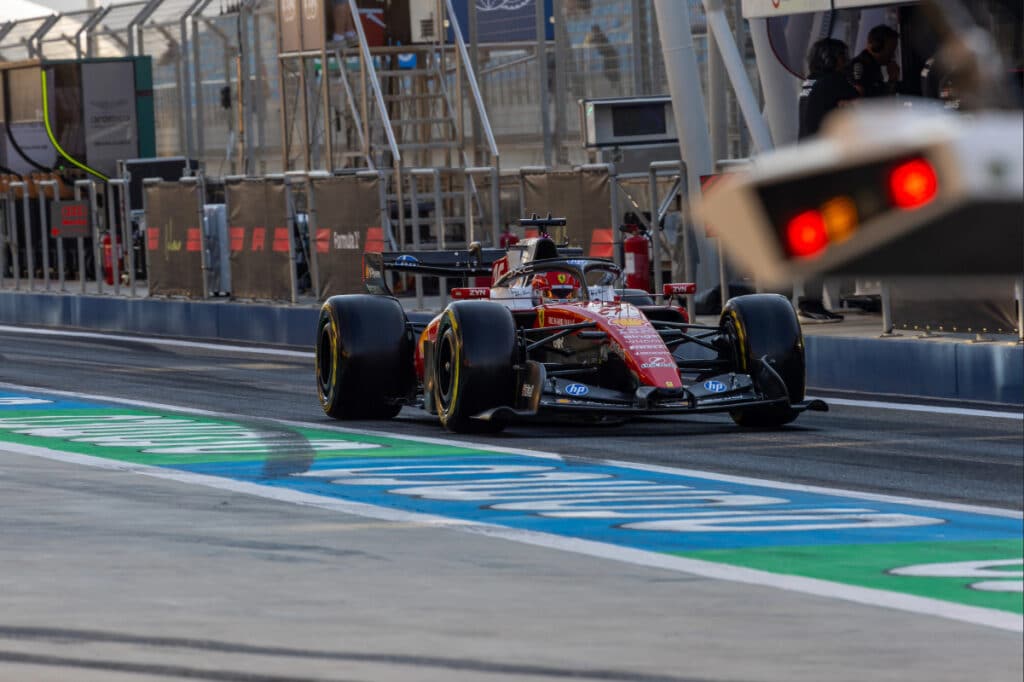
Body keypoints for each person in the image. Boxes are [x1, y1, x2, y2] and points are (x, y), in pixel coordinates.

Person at [796, 38, 858, 321]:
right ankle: (811, 300)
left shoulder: (809, 83)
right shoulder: (833, 82)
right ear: (834, 59)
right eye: (843, 57)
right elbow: (861, 98)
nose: (846, 62)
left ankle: (804, 298)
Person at [849, 25, 901, 98]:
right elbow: (860, 101)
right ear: (876, 47)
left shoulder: (872, 65)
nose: (893, 56)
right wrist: (892, 79)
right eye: (890, 51)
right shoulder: (858, 66)